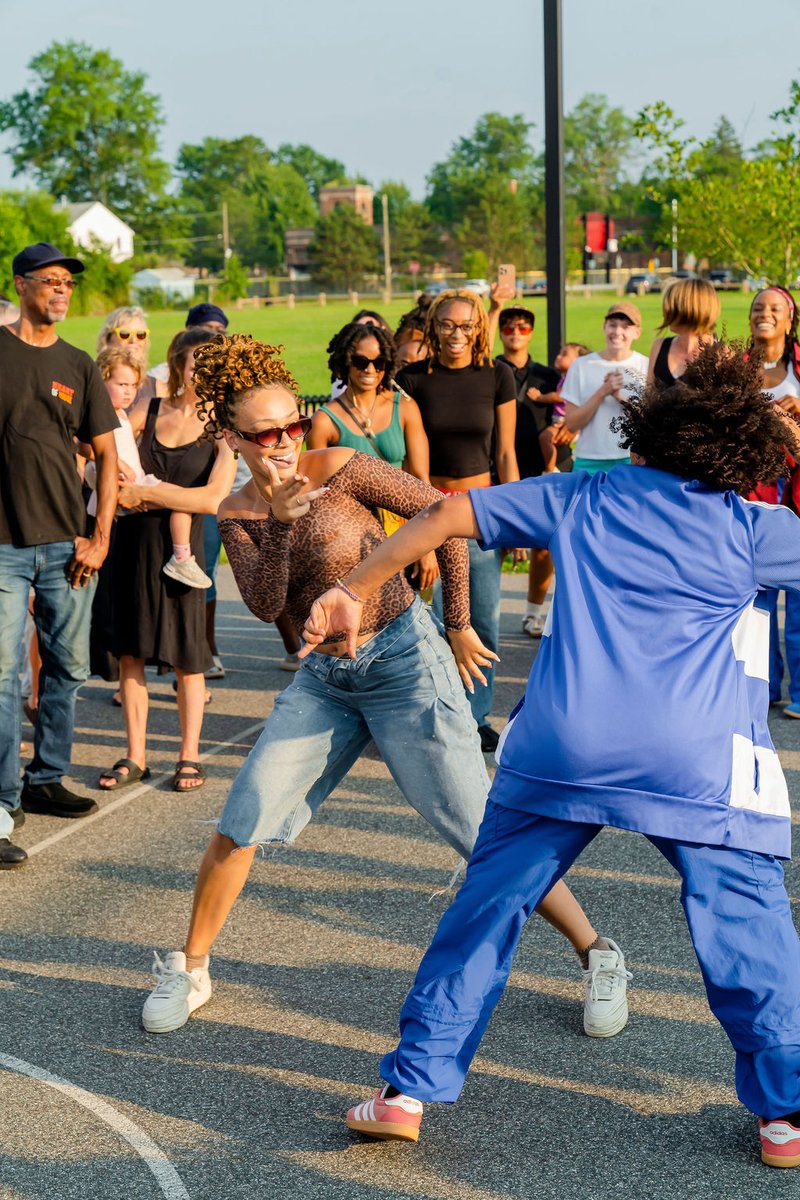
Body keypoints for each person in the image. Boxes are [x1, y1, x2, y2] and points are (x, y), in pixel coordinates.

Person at [303, 344, 800, 1169]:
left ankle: (408, 1092)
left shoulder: (584, 494)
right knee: (747, 927)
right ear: (742, 454)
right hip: (694, 760)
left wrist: (352, 588)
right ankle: (786, 1113)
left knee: (485, 910)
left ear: (648, 434)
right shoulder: (752, 527)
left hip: (564, 747)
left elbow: (448, 514)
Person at [140, 333, 628, 1040]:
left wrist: (458, 622)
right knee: (241, 817)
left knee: (479, 830)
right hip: (327, 679)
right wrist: (280, 524)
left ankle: (599, 953)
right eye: (264, 432)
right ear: (230, 435)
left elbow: (447, 522)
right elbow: (267, 602)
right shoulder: (237, 514)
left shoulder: (339, 464)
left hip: (405, 661)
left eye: (289, 425)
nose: (282, 442)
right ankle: (191, 967)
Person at [0, 242, 119, 864]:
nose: (61, 291)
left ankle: (46, 778)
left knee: (68, 668)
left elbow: (107, 455)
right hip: (2, 546)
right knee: (0, 678)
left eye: (67, 284)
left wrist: (99, 535)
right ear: (19, 286)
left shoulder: (79, 365)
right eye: (49, 281)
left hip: (69, 544)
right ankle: (1, 797)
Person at [97, 328, 236, 792]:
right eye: (197, 361)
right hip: (131, 545)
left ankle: (188, 755)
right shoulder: (148, 408)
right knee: (131, 655)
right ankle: (135, 755)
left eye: (213, 362)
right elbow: (109, 446)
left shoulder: (223, 426)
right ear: (177, 364)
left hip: (184, 557)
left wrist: (147, 493)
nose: (204, 370)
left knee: (188, 658)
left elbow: (214, 498)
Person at [396, 290, 523, 753]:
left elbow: (506, 453)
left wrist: (516, 517)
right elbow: (407, 458)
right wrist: (418, 522)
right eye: (447, 325)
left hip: (481, 510)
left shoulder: (498, 375)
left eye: (466, 325)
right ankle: (427, 708)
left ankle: (475, 715)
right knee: (422, 621)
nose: (456, 334)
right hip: (427, 510)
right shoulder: (411, 379)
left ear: (479, 329)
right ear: (433, 327)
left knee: (480, 619)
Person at [86, 348, 212, 589]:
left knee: (179, 500)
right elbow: (87, 448)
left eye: (134, 386)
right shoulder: (97, 413)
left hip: (134, 481)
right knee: (179, 501)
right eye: (122, 384)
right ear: (101, 380)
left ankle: (181, 556)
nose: (129, 391)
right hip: (127, 483)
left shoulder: (122, 414)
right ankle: (182, 557)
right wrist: (117, 464)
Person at [495, 308, 576, 638]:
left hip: (540, 464)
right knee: (493, 539)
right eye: (509, 326)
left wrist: (570, 428)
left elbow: (571, 407)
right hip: (498, 463)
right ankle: (484, 613)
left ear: (532, 331)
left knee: (544, 544)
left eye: (523, 326)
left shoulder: (547, 376)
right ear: (500, 331)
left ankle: (533, 614)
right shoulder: (489, 370)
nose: (516, 331)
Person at [746, 287, 800, 717]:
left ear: (789, 319)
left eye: (774, 308)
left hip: (795, 497)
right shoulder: (733, 369)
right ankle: (761, 688)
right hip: (749, 499)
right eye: (758, 307)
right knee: (754, 603)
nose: (765, 313)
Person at [561, 302, 648, 475]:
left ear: (637, 332)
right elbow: (571, 424)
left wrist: (619, 397)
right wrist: (602, 392)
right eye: (612, 325)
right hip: (588, 461)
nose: (617, 332)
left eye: (625, 327)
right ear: (604, 327)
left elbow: (649, 420)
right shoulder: (581, 365)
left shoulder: (645, 365)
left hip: (631, 460)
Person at [647, 278, 719, 385]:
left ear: (689, 309)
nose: (664, 314)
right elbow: (647, 398)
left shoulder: (721, 355)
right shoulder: (659, 347)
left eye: (670, 308)